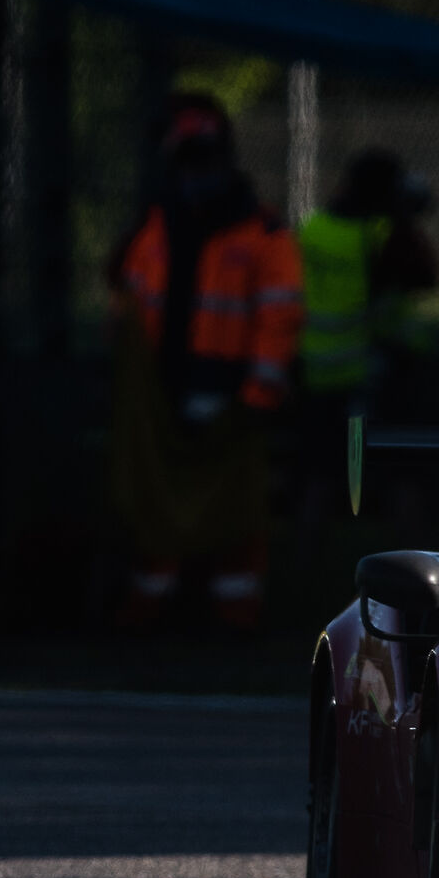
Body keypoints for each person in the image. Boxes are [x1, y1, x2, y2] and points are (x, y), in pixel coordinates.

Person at [108, 95, 303, 632]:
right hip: (161, 404)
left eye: (204, 159)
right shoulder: (155, 229)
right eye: (187, 160)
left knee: (234, 517)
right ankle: (149, 613)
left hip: (232, 403)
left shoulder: (263, 236)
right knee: (158, 507)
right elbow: (128, 299)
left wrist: (257, 397)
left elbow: (279, 319)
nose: (195, 172)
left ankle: (234, 617)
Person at [295, 148, 439, 517]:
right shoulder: (381, 235)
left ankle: (305, 561)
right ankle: (412, 558)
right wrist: (405, 220)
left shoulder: (311, 229)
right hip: (375, 370)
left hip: (319, 371)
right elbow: (427, 277)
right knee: (402, 472)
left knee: (319, 473)